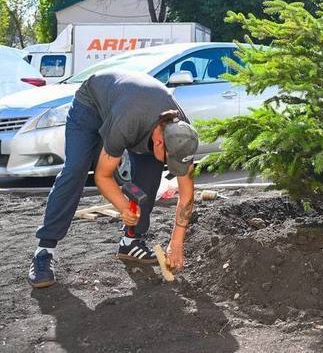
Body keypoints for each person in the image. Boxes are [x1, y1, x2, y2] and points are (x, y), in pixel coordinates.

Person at [27, 71, 200, 288]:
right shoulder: (127, 124)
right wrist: (123, 207)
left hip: (131, 108)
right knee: (76, 170)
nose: (172, 166)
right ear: (158, 142)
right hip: (91, 108)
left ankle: (131, 241)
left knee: (149, 175)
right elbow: (103, 176)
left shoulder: (182, 135)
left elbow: (187, 194)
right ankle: (44, 250)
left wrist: (176, 242)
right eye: (169, 160)